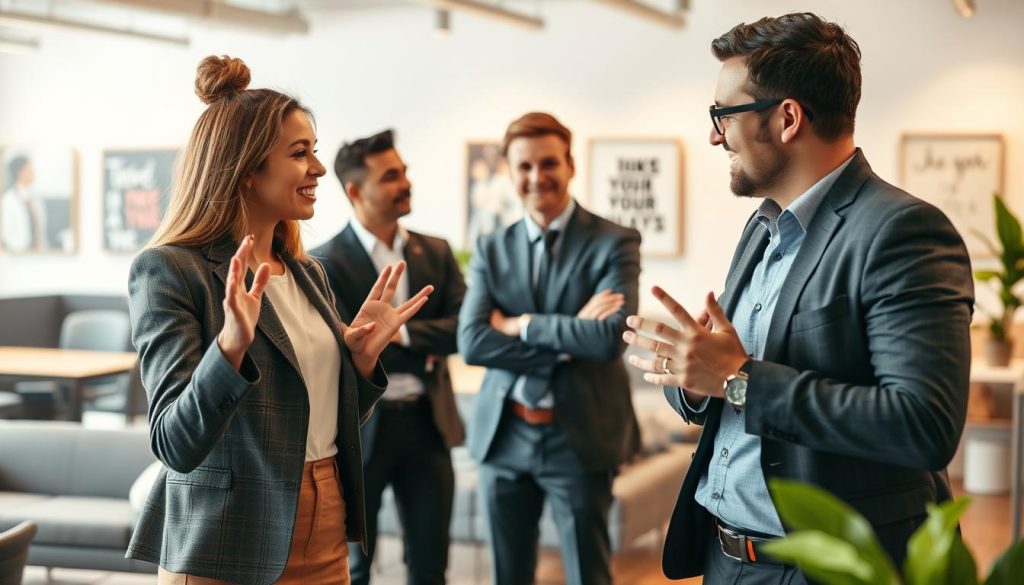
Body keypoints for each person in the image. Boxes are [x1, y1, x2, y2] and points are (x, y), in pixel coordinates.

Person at [622, 13, 974, 584]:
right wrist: (698, 379)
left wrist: (738, 379)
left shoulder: (903, 231)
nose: (714, 135)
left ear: (787, 118)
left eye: (723, 115)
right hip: (725, 558)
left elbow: (922, 425)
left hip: (831, 569)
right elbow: (735, 382)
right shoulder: (762, 228)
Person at [125, 55, 432, 585]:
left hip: (324, 516)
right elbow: (174, 444)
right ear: (246, 171)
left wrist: (358, 364)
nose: (318, 169)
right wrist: (229, 351)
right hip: (226, 537)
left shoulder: (307, 273)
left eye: (314, 151)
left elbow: (306, 422)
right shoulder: (170, 270)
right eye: (300, 154)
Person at [458, 112, 642, 585]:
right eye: (524, 167)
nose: (537, 177)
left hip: (577, 435)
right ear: (510, 172)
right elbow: (473, 342)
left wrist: (521, 324)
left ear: (570, 165)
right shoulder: (491, 248)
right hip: (505, 435)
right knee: (509, 576)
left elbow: (606, 339)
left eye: (548, 163)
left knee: (588, 574)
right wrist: (565, 339)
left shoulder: (614, 242)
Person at [311, 129, 466, 585]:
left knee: (430, 564)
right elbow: (338, 352)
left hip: (428, 424)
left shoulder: (435, 252)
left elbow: (464, 331)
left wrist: (396, 338)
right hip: (360, 430)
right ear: (356, 191)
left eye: (405, 172)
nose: (406, 183)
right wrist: (426, 346)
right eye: (391, 176)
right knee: (354, 567)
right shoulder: (322, 262)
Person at [1, 155, 45, 252]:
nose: (33, 172)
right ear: (20, 172)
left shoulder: (36, 197)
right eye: (30, 169)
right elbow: (6, 234)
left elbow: (41, 229)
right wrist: (21, 248)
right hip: (19, 254)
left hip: (38, 252)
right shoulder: (8, 200)